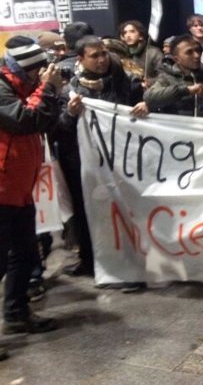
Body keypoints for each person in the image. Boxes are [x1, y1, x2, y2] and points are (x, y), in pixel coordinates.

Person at [57, 37, 148, 278]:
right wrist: (70, 113)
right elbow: (61, 127)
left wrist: (144, 106)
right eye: (94, 56)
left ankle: (131, 259)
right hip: (86, 160)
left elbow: (142, 112)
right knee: (88, 210)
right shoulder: (71, 90)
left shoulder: (126, 83)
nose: (101, 60)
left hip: (122, 159)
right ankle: (90, 260)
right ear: (81, 59)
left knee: (124, 207)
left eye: (103, 54)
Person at [0, 37, 62, 346]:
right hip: (1, 189)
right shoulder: (2, 87)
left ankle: (16, 314)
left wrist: (54, 97)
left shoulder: (23, 86)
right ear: (29, 68)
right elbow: (24, 120)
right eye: (42, 68)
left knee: (24, 255)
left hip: (19, 189)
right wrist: (47, 89)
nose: (46, 73)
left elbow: (44, 122)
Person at [144, 34, 203, 116]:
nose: (197, 55)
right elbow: (149, 97)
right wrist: (186, 90)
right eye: (189, 52)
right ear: (176, 59)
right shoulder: (166, 79)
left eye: (198, 50)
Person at [118, 19, 163, 86]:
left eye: (132, 31)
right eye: (125, 32)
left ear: (141, 36)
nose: (128, 35)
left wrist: (150, 82)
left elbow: (164, 76)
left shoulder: (153, 53)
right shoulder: (121, 54)